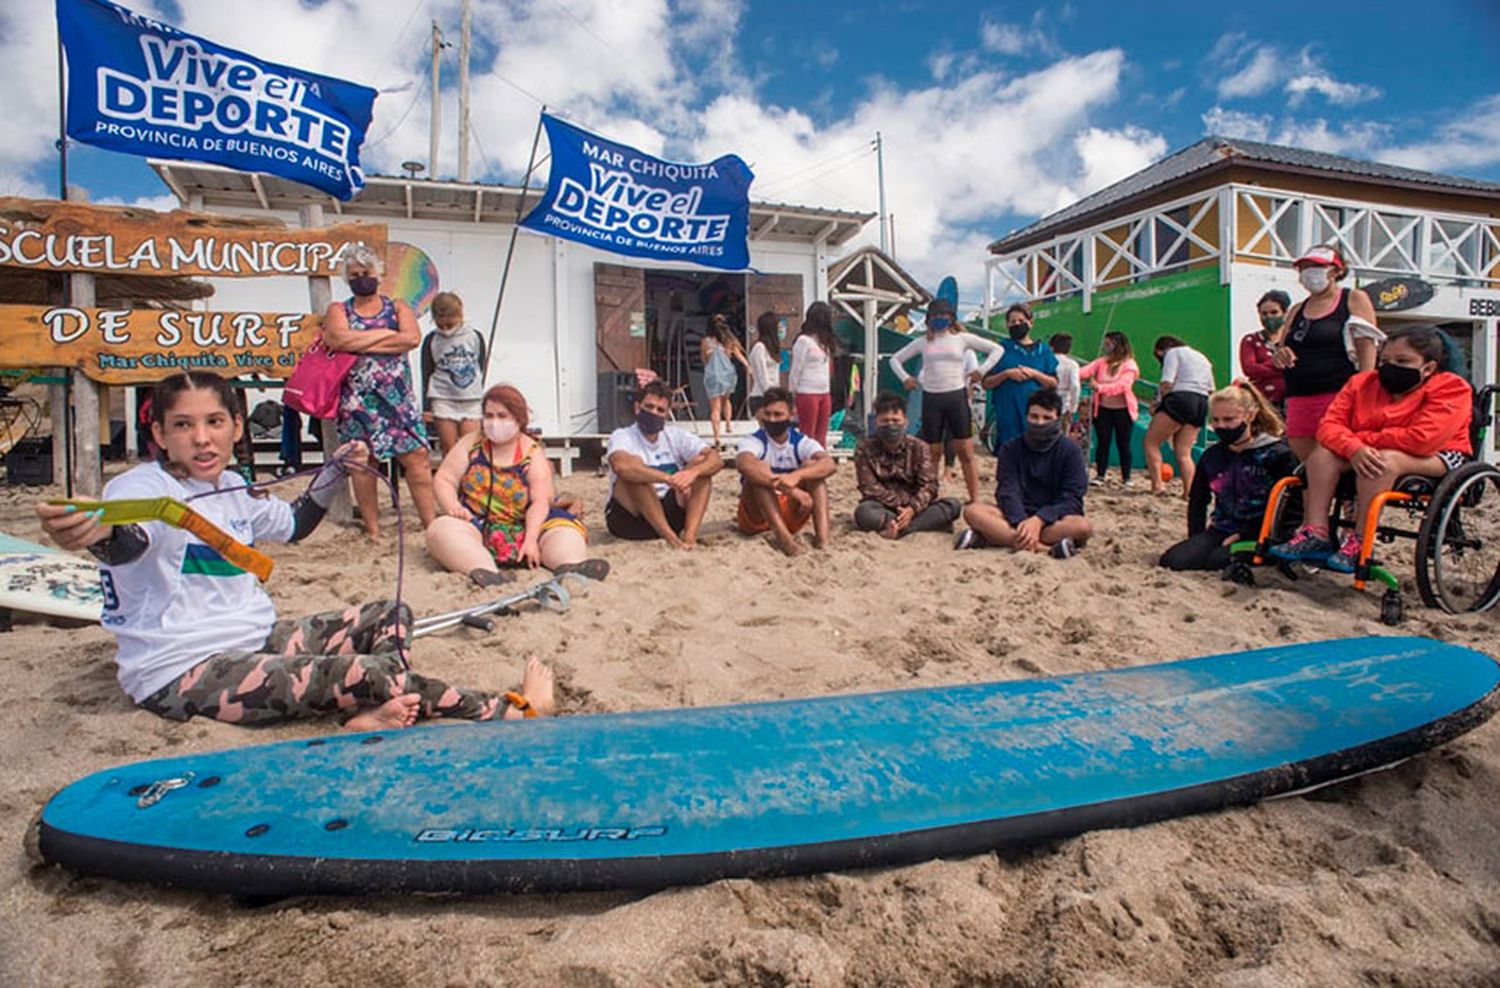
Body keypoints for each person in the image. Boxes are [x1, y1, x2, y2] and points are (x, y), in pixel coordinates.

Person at [35, 371, 553, 730]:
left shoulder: (234, 487)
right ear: (159, 434)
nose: (201, 438)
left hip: (255, 639)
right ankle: (507, 710)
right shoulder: (139, 489)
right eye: (183, 425)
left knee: (389, 614)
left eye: (214, 422)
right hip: (181, 671)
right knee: (368, 671)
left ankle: (381, 706)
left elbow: (297, 522)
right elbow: (128, 543)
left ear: (237, 427)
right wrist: (94, 536)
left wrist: (333, 470)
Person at [1270, 326, 1472, 573]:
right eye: (1384, 360)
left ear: (1428, 368)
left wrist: (1360, 441)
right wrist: (1354, 447)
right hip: (1368, 449)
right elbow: (1328, 427)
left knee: (1382, 461)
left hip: (1439, 455)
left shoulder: (1451, 388)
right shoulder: (1361, 383)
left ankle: (1360, 540)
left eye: (1402, 361)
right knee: (1321, 456)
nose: (1390, 366)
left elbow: (1422, 439)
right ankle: (1316, 532)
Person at [425, 384, 608, 587]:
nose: (495, 423)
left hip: (528, 525)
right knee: (440, 530)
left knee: (565, 533)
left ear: (519, 419)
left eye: (502, 416)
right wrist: (453, 506)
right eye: (489, 416)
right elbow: (445, 479)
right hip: (476, 524)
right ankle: (484, 570)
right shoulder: (471, 444)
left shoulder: (532, 453)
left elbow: (540, 501)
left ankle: (569, 565)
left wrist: (530, 539)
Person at [320, 243, 436, 537]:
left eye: (367, 272)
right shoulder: (338, 309)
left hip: (398, 399)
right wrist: (386, 335)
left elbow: (410, 339)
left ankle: (431, 524)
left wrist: (359, 339)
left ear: (379, 273)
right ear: (347, 278)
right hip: (357, 401)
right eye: (355, 274)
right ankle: (372, 530)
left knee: (417, 459)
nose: (362, 278)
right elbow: (337, 340)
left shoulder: (398, 306)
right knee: (362, 464)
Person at [1159, 383, 1296, 572]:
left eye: (1229, 419)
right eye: (1215, 420)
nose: (1221, 426)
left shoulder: (1277, 454)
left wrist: (1246, 533)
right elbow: (1198, 500)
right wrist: (1196, 538)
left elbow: (1290, 508)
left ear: (1250, 415)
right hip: (1221, 528)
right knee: (1173, 560)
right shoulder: (1212, 456)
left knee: (1218, 560)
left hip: (1262, 534)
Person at [1273, 245, 1383, 460]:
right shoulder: (1297, 309)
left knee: (1333, 455)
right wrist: (1281, 353)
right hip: (1299, 393)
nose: (1307, 272)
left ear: (1335, 271)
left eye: (1315, 266)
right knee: (1305, 461)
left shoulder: (1353, 299)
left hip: (1337, 393)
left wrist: (1362, 392)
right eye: (1303, 267)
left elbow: (1367, 349)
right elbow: (1282, 347)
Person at [889, 298, 1003, 503]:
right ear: (928, 319)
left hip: (956, 397)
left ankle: (975, 498)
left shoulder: (962, 339)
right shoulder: (922, 342)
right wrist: (905, 378)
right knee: (933, 452)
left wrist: (981, 371)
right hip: (932, 398)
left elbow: (997, 350)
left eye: (943, 315)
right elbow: (895, 359)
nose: (939, 319)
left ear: (951, 317)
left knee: (965, 451)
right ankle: (930, 496)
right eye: (934, 316)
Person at [956, 389, 1091, 557]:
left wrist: (1039, 520)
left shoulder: (1071, 451)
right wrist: (1022, 522)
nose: (1040, 423)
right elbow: (1007, 491)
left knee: (1082, 526)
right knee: (973, 511)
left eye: (1046, 418)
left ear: (1057, 419)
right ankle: (1045, 549)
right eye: (1034, 417)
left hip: (1053, 519)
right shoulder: (1010, 448)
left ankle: (997, 538)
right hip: (1014, 516)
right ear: (1026, 417)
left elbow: (1072, 497)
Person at [604, 380, 723, 549]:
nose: (654, 413)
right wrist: (667, 478)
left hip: (669, 512)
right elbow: (621, 466)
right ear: (637, 407)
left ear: (667, 414)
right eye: (649, 407)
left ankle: (689, 537)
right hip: (630, 519)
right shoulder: (623, 436)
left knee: (702, 468)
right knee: (635, 473)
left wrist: (692, 473)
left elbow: (716, 459)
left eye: (660, 410)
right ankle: (672, 540)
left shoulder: (675, 435)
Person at [734, 387, 835, 556]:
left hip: (791, 513)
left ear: (791, 414)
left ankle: (823, 540)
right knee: (758, 476)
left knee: (814, 470)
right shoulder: (754, 440)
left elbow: (829, 464)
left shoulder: (800, 442)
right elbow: (744, 463)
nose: (772, 420)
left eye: (778, 414)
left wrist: (797, 476)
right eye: (768, 414)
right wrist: (791, 489)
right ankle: (786, 542)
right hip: (756, 515)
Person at [853, 392, 963, 539]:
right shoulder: (864, 448)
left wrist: (912, 509)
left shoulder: (920, 447)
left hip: (918, 507)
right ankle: (917, 526)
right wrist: (902, 508)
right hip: (883, 507)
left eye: (895, 420)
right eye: (884, 421)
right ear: (876, 422)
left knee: (953, 505)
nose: (891, 425)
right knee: (863, 513)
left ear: (905, 421)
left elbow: (930, 485)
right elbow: (869, 488)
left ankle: (899, 528)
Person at [1144, 336, 1215, 498]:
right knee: (1184, 452)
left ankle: (1157, 486)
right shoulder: (1202, 357)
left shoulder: (1173, 353)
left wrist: (1158, 404)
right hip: (1201, 401)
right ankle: (1189, 491)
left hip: (1180, 398)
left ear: (1162, 350)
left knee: (1151, 442)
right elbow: (1211, 389)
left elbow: (1166, 383)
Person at [983, 303, 1058, 454]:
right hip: (1008, 414)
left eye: (1021, 321)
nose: (1017, 324)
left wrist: (1034, 374)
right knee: (1010, 454)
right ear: (1007, 325)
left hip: (1036, 414)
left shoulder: (1044, 351)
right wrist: (1006, 374)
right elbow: (986, 383)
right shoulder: (1000, 349)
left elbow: (1053, 383)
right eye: (1012, 322)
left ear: (1031, 323)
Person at [419, 291, 487, 456]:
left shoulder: (474, 337)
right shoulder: (431, 340)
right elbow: (427, 373)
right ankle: (450, 480)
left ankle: (469, 481)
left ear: (460, 315)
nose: (446, 330)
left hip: (470, 399)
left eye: (450, 325)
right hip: (443, 399)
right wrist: (427, 406)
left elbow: (480, 365)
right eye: (441, 325)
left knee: (471, 448)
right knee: (449, 448)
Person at [1078, 331, 1140, 486]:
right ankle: (1100, 475)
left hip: (1123, 410)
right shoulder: (1101, 362)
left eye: (1109, 344)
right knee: (1103, 442)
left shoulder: (1129, 365)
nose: (1106, 347)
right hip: (1103, 409)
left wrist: (1099, 387)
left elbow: (1122, 386)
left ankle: (1127, 477)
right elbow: (1084, 372)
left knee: (1123, 444)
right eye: (1105, 344)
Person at [789, 300, 837, 447]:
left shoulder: (824, 342)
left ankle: (819, 461)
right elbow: (796, 368)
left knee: (821, 434)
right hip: (807, 392)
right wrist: (792, 393)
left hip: (824, 391)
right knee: (807, 432)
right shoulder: (803, 341)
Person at [702, 314, 749, 448]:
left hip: (712, 375)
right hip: (727, 374)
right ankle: (728, 424)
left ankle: (717, 436)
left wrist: (709, 368)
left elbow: (704, 359)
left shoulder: (705, 342)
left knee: (715, 408)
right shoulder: (730, 340)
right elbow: (740, 356)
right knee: (726, 400)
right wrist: (748, 367)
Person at [1240, 290, 1290, 408]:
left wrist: (1264, 366)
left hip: (1289, 400)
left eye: (1274, 312)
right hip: (1261, 402)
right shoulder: (1250, 340)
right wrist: (1277, 364)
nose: (1269, 317)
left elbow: (1298, 366)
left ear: (1285, 313)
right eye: (1264, 313)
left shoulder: (1292, 339)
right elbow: (1249, 369)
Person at [748, 311, 782, 414]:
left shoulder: (772, 349)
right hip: (761, 397)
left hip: (773, 395)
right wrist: (772, 397)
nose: (780, 330)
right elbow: (762, 376)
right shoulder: (759, 348)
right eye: (778, 327)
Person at [1051, 333, 1081, 427]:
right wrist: (1073, 408)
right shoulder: (1072, 364)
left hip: (1045, 402)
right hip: (1063, 405)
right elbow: (1075, 386)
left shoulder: (1045, 360)